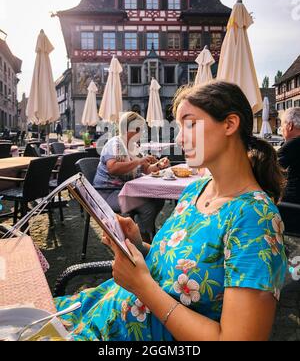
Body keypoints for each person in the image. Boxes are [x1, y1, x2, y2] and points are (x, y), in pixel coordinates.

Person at [56, 82, 287, 341]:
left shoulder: (254, 218)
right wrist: (138, 246)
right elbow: (181, 267)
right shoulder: (194, 191)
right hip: (97, 310)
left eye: (189, 124)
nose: (178, 138)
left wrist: (141, 287)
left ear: (229, 124)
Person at [93, 112, 169, 242]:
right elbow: (113, 168)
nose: (141, 133)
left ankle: (144, 231)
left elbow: (146, 169)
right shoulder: (115, 143)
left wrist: (159, 165)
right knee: (148, 205)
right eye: (139, 129)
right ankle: (143, 239)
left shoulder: (133, 147)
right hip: (107, 193)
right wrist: (139, 161)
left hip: (125, 191)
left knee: (158, 199)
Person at [278, 108, 300, 204]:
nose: (281, 129)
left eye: (282, 125)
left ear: (290, 125)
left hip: (292, 206)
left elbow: (268, 169)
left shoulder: (293, 144)